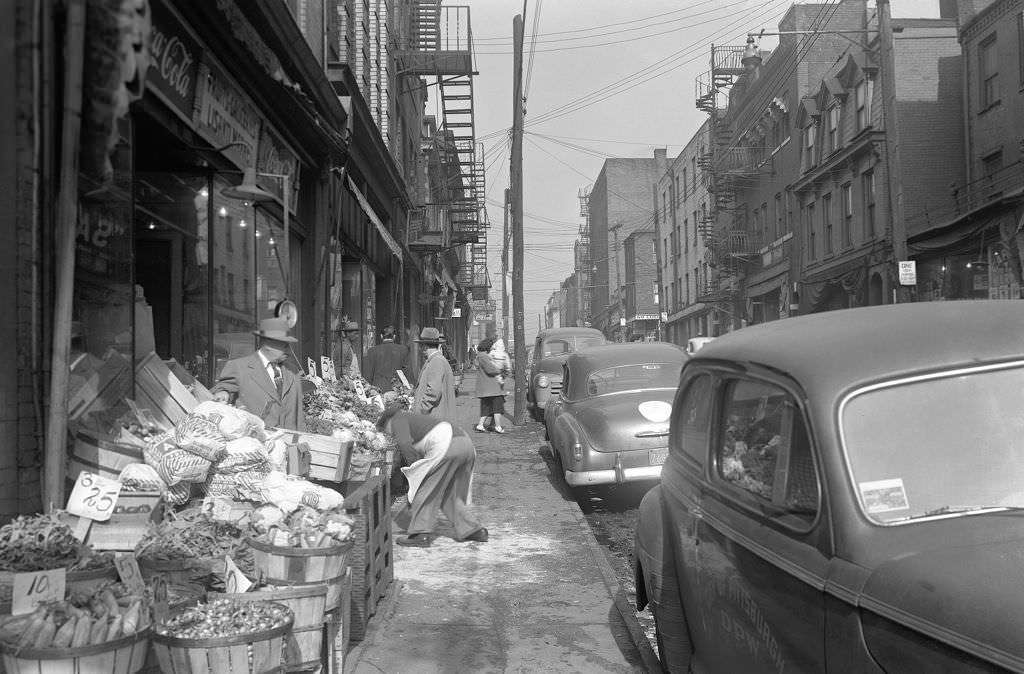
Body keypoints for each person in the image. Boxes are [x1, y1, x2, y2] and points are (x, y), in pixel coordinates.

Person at [378, 405, 487, 547]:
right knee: (449, 495)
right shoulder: (415, 419)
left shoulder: (398, 419)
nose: (389, 434)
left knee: (425, 489)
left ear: (387, 422)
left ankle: (420, 534)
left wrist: (415, 470)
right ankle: (474, 530)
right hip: (465, 444)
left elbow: (405, 445)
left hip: (446, 444)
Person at [210, 317, 306, 430]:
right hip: (256, 442)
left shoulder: (293, 372)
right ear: (268, 344)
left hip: (289, 443)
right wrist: (223, 393)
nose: (289, 349)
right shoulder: (239, 367)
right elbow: (223, 388)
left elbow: (299, 417)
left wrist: (300, 442)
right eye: (285, 344)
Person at [412, 327, 456, 421]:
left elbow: (434, 391)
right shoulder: (437, 360)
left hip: (433, 417)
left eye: (421, 346)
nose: (419, 349)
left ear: (425, 346)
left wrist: (421, 409)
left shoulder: (436, 361)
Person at [361, 325, 416, 391]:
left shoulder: (372, 351)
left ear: (381, 336)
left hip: (377, 389)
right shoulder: (403, 350)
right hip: (397, 389)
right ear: (394, 336)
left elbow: (368, 374)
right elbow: (407, 372)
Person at [473, 338, 508, 434]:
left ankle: (480, 425)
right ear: (487, 347)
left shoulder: (479, 356)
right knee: (498, 407)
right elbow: (491, 369)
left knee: (486, 408)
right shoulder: (484, 356)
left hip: (485, 387)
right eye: (491, 347)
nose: (492, 349)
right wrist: (498, 370)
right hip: (491, 387)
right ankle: (497, 426)